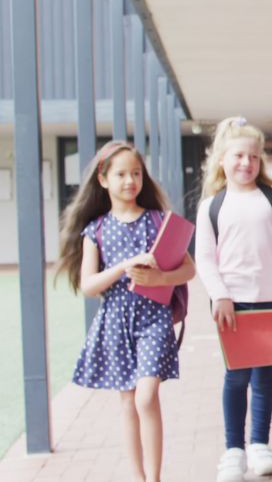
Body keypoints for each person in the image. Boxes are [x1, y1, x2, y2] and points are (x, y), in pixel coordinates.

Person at [57, 141, 195, 482]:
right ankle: (138, 477)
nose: (130, 181)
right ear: (103, 180)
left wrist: (160, 277)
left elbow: (188, 269)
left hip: (153, 319)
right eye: (120, 174)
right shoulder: (97, 230)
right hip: (115, 321)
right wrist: (123, 266)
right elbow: (89, 285)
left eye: (136, 173)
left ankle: (155, 477)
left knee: (146, 397)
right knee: (128, 402)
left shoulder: (157, 221)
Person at [195, 117, 272, 482]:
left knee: (265, 375)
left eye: (253, 157)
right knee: (236, 377)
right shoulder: (212, 205)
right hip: (233, 306)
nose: (246, 163)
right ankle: (233, 452)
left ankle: (260, 444)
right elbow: (205, 258)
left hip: (271, 302)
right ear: (223, 159)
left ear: (261, 161)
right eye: (239, 156)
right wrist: (220, 296)